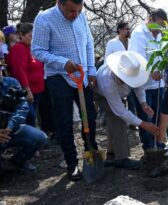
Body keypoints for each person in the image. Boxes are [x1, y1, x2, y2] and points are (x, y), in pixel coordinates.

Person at [32, 0, 98, 181]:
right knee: (64, 121)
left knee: (89, 118)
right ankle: (71, 163)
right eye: (70, 11)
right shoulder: (44, 19)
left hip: (82, 76)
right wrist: (63, 63)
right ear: (59, 3)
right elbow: (37, 51)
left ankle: (91, 154)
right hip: (58, 77)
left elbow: (88, 44)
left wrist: (91, 69)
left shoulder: (81, 17)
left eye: (78, 10)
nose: (74, 15)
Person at [95, 51, 159, 169]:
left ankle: (112, 153)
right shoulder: (107, 81)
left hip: (117, 94)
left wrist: (143, 103)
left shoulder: (133, 68)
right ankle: (121, 158)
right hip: (101, 94)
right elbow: (120, 111)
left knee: (112, 120)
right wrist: (144, 124)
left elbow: (138, 86)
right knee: (118, 119)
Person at [129, 8, 166, 151]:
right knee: (146, 117)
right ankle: (148, 147)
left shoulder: (159, 35)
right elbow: (138, 59)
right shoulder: (139, 34)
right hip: (143, 86)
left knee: (159, 115)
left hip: (158, 85)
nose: (159, 31)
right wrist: (151, 72)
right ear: (150, 20)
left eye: (162, 27)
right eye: (158, 26)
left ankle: (158, 142)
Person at [0, 72, 47, 173]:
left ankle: (17, 162)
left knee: (40, 138)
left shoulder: (11, 82)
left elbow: (23, 107)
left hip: (11, 130)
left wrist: (10, 126)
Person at [6, 23, 45, 127]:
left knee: (33, 116)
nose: (33, 39)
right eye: (30, 36)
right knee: (29, 116)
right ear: (21, 35)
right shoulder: (19, 49)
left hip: (38, 90)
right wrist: (27, 89)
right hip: (26, 91)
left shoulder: (32, 49)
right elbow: (19, 71)